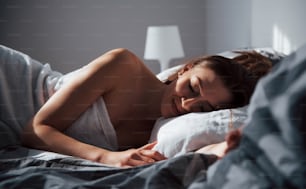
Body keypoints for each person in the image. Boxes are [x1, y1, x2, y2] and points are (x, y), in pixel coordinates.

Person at [0, 45, 271, 167]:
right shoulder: (123, 66)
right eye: (192, 87)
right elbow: (35, 130)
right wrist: (108, 157)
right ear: (184, 70)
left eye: (202, 108)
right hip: (12, 83)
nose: (187, 104)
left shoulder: (160, 132)